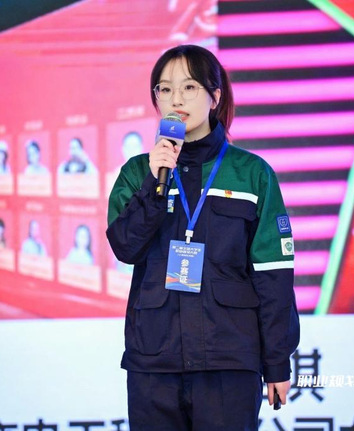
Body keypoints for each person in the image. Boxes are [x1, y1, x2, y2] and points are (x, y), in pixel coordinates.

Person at [106, 45, 299, 430]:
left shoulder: (252, 174)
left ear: (215, 96)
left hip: (229, 360)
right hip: (154, 361)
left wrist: (277, 361)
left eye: (189, 87)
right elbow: (125, 247)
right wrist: (155, 183)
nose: (176, 99)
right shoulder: (138, 173)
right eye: (165, 89)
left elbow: (273, 275)